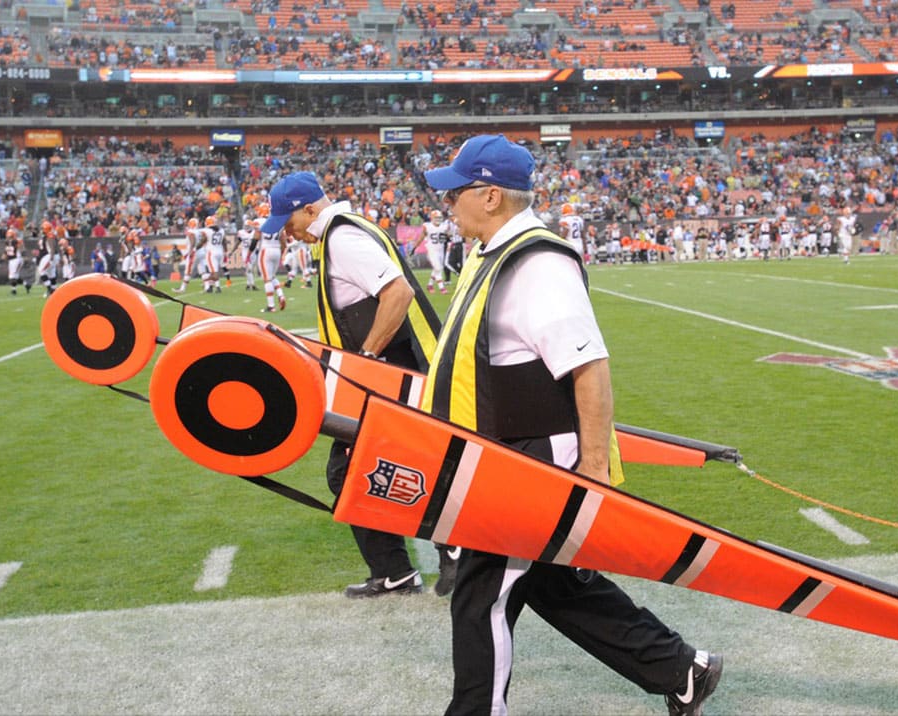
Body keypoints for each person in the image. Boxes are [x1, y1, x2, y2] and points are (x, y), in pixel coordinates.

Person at [422, 134, 722, 716]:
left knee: (483, 593)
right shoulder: (492, 251)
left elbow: (589, 368)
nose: (446, 203)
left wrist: (591, 468)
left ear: (489, 196)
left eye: (455, 192)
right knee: (552, 583)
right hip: (504, 447)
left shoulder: (537, 262)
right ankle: (680, 668)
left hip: (531, 453)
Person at [260, 171, 459, 598]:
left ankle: (441, 553)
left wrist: (366, 359)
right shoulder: (344, 232)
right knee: (367, 467)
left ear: (310, 209)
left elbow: (397, 293)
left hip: (387, 377)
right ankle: (419, 562)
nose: (287, 234)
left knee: (353, 469)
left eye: (288, 222)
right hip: (398, 372)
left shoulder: (341, 239)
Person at [411, 209, 454, 293]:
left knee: (437, 268)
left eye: (439, 218)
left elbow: (450, 236)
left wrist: (450, 240)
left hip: (441, 250)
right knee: (438, 267)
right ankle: (442, 288)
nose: (438, 220)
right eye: (436, 218)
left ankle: (430, 285)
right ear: (431, 218)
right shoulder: (427, 226)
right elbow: (421, 238)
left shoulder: (444, 226)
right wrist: (414, 247)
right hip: (431, 249)